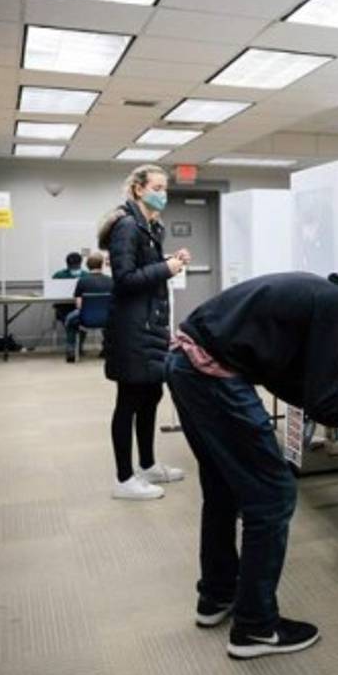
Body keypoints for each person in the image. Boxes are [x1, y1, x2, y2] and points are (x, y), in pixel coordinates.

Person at [165, 272, 338, 659]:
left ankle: (216, 596)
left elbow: (284, 380)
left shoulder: (329, 297)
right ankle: (255, 628)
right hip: (212, 374)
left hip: (186, 365)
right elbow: (325, 404)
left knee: (223, 489)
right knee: (274, 495)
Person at [97, 164, 191, 501]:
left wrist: (169, 260)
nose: (163, 194)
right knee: (129, 400)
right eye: (157, 187)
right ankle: (124, 479)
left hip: (150, 325)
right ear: (138, 189)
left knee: (151, 396)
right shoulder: (127, 226)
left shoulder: (150, 226)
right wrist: (166, 268)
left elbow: (143, 267)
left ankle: (147, 464)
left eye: (165, 188)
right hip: (131, 329)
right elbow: (125, 279)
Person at [63, 251, 113, 363]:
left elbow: (79, 305)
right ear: (102, 265)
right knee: (112, 323)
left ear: (87, 265)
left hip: (86, 318)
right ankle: (107, 349)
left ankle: (72, 350)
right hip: (107, 318)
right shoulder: (110, 281)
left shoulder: (82, 281)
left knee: (69, 320)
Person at [51, 251, 84, 324]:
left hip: (69, 307)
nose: (74, 267)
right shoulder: (86, 275)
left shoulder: (58, 275)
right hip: (69, 307)